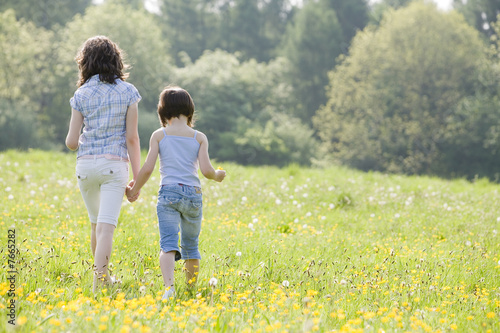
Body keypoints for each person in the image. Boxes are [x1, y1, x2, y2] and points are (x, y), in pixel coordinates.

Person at [126, 86, 225, 300]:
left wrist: (134, 189)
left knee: (168, 243)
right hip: (193, 194)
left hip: (168, 192)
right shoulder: (199, 137)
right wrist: (218, 175)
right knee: (191, 245)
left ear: (162, 112)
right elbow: (206, 171)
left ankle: (169, 289)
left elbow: (148, 168)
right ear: (190, 110)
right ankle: (190, 290)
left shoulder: (159, 135)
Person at [65, 36, 141, 292]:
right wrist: (137, 179)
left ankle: (103, 279)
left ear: (85, 63)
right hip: (113, 166)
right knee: (106, 228)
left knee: (96, 224)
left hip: (86, 167)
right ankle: (100, 283)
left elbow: (72, 142)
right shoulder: (128, 92)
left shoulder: (81, 94)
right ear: (116, 60)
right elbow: (132, 138)